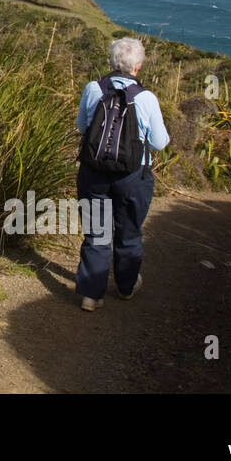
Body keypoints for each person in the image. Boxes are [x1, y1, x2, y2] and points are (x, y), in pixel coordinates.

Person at [74, 37, 169, 311]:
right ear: (137, 67)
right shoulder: (146, 98)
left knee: (97, 234)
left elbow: (82, 127)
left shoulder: (93, 88)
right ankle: (126, 287)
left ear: (110, 62)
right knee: (128, 232)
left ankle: (91, 295)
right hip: (132, 176)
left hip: (94, 173)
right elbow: (160, 142)